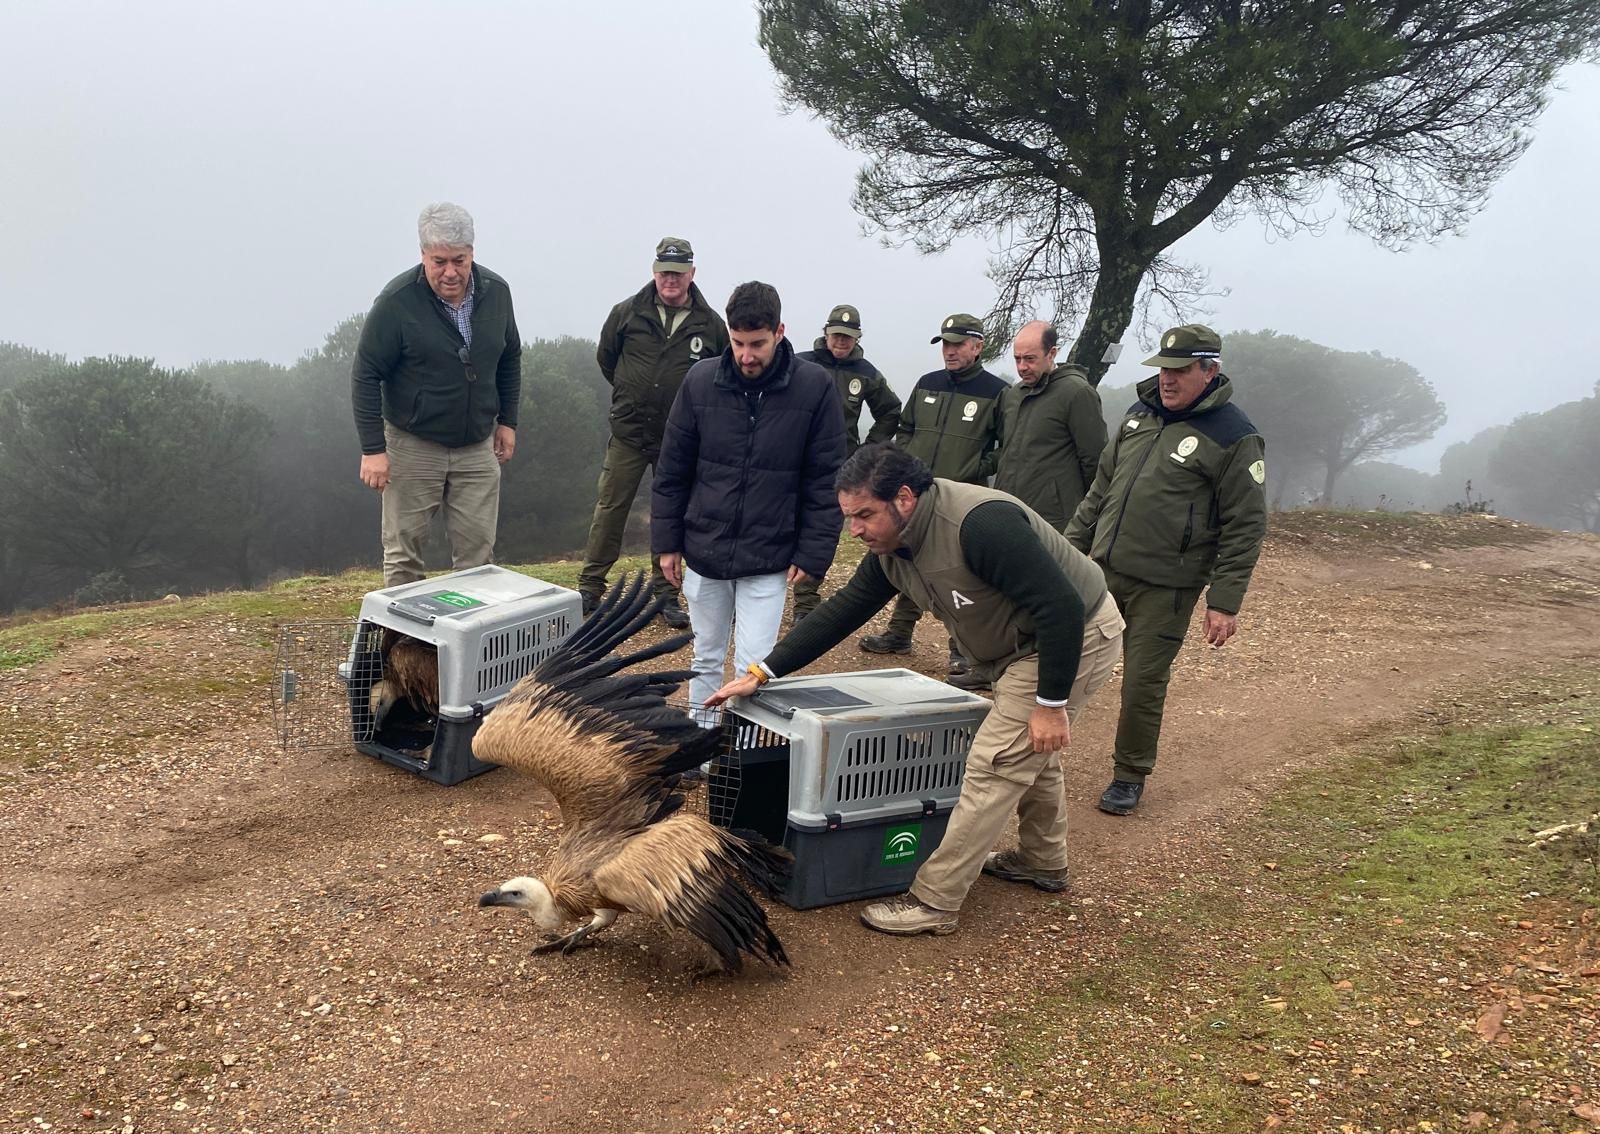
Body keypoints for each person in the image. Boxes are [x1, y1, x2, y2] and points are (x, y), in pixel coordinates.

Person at [706, 444, 1125, 937]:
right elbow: (846, 608)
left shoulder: (980, 524)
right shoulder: (892, 548)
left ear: (904, 498)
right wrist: (762, 672)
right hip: (1016, 648)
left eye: (865, 515)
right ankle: (1042, 862)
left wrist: (1051, 704)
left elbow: (1061, 608)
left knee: (995, 764)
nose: (855, 529)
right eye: (849, 518)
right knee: (1026, 752)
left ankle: (936, 900)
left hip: (1068, 638)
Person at [1065, 324, 1268, 816]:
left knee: (1142, 684)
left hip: (1167, 586)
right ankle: (1029, 750)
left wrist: (1224, 601)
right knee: (1058, 657)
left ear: (1209, 370)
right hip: (1104, 571)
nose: (1167, 381)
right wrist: (1068, 551)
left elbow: (1245, 524)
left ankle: (1129, 774)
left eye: (1179, 372)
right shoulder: (1138, 416)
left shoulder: (1235, 437)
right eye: (1162, 371)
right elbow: (1102, 489)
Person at [652, 281, 847, 717]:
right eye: (738, 342)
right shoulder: (700, 381)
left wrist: (814, 552)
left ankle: (743, 755)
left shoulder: (815, 388)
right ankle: (699, 740)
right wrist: (667, 540)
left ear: (780, 332)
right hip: (705, 549)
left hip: (770, 554)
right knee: (704, 656)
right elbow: (672, 469)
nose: (746, 355)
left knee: (755, 667)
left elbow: (825, 479)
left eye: (756, 344)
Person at [352, 202, 521, 587]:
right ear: (423, 255)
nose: (450, 272)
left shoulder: (497, 293)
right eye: (439, 261)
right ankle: (404, 645)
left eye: (459, 260)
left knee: (478, 557)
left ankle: (469, 643)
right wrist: (373, 449)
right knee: (404, 554)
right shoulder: (396, 302)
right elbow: (365, 374)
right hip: (412, 445)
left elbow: (510, 356)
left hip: (477, 445)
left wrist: (508, 421)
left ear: (472, 253)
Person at [578, 237, 729, 628]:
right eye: (664, 272)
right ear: (654, 271)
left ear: (692, 274)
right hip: (628, 431)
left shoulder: (711, 325)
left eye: (678, 273)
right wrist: (632, 393)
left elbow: (720, 376)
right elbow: (607, 360)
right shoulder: (626, 313)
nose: (670, 280)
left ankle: (666, 595)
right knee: (610, 509)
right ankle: (590, 587)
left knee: (671, 514)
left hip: (678, 439)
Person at [860, 313, 1007, 679]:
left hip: (959, 498)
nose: (950, 350)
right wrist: (905, 464)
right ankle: (899, 633)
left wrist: (976, 466)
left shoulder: (996, 392)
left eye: (958, 343)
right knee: (911, 561)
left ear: (978, 346)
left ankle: (964, 651)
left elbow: (1007, 445)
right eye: (945, 343)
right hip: (917, 492)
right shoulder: (927, 383)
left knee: (957, 574)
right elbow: (905, 427)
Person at [792, 304, 902, 622]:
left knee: (820, 529)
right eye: (837, 335)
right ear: (825, 333)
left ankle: (805, 603)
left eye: (848, 337)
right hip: (794, 459)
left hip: (838, 465)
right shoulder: (801, 363)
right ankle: (753, 595)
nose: (841, 342)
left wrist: (866, 451)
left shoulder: (866, 372)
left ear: (857, 338)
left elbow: (891, 411)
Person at [993, 321, 1107, 530]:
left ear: (1051, 353)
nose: (1021, 367)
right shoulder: (1013, 395)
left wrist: (1087, 521)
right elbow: (1006, 453)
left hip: (1053, 523)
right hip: (1008, 513)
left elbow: (1095, 461)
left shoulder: (1077, 393)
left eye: (1029, 359)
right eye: (1017, 359)